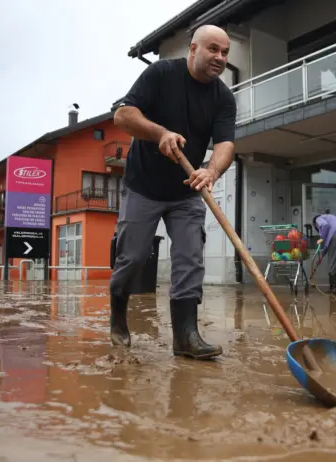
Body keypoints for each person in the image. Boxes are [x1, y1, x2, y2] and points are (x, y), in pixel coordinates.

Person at [109, 25, 237, 360]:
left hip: (186, 190)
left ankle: (185, 337)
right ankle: (118, 317)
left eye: (225, 53)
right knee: (133, 257)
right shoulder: (161, 73)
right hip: (144, 186)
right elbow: (123, 115)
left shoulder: (223, 98)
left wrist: (211, 170)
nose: (220, 58)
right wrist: (160, 133)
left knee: (190, 259)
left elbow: (225, 144)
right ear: (193, 49)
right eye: (213, 49)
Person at [313, 214, 336, 293]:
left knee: (332, 260)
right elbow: (327, 246)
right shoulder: (330, 218)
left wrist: (322, 238)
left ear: (315, 224)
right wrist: (321, 257)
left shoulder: (318, 219)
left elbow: (325, 225)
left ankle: (332, 287)